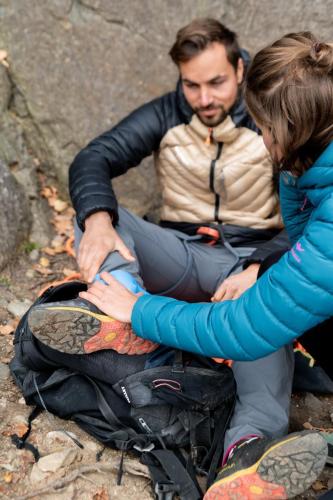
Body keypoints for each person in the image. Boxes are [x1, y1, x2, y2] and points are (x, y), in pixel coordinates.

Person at [27, 25, 329, 499]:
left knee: (259, 332)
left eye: (216, 83)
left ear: (240, 70)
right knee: (103, 218)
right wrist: (100, 217)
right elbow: (94, 158)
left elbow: (306, 237)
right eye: (192, 84)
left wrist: (263, 267)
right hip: (182, 252)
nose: (204, 98)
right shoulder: (171, 113)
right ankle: (120, 317)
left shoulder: (280, 118)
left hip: (250, 262)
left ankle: (246, 455)